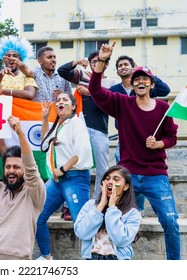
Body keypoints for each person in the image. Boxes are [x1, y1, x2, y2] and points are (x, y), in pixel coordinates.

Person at [88, 42, 180, 260]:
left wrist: (159, 144)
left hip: (155, 175)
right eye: (136, 79)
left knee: (170, 221)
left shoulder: (163, 108)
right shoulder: (123, 103)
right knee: (115, 219)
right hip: (127, 176)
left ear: (151, 84)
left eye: (144, 79)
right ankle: (120, 261)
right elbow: (95, 91)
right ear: (132, 84)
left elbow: (172, 137)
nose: (140, 82)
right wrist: (101, 61)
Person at [0, 115, 46, 260]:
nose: (11, 170)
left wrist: (20, 133)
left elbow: (31, 169)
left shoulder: (35, 195)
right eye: (7, 167)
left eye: (17, 167)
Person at [35, 93, 93, 260]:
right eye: (58, 100)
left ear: (73, 106)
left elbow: (81, 152)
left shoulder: (76, 123)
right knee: (37, 216)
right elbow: (45, 143)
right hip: (57, 180)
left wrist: (62, 168)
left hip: (74, 177)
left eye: (65, 100)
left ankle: (90, 260)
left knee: (82, 225)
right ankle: (46, 258)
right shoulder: (58, 124)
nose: (60, 102)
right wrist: (45, 118)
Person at [58, 51, 117, 200]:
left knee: (102, 169)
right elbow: (62, 71)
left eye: (100, 61)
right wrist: (77, 61)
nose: (96, 64)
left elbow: (110, 101)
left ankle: (99, 200)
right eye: (93, 61)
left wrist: (90, 92)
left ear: (106, 64)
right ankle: (69, 202)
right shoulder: (83, 75)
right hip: (79, 128)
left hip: (100, 130)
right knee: (73, 163)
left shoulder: (112, 83)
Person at [32, 46, 73, 220]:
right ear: (40, 60)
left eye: (55, 57)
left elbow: (71, 100)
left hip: (58, 125)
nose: (53, 60)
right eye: (49, 57)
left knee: (61, 160)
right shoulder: (33, 74)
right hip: (36, 124)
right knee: (38, 163)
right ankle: (36, 204)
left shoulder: (62, 77)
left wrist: (62, 94)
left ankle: (67, 207)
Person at [109, 55, 171, 164]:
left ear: (132, 68)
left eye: (126, 64)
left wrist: (146, 73)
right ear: (117, 72)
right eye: (120, 66)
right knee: (121, 161)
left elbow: (165, 90)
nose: (123, 67)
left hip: (145, 134)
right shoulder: (114, 90)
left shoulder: (145, 87)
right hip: (124, 136)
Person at [74, 165, 141, 260]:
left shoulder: (132, 213)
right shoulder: (90, 205)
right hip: (92, 258)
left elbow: (120, 240)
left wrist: (112, 208)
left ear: (125, 186)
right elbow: (81, 233)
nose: (110, 182)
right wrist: (100, 207)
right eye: (107, 179)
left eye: (116, 179)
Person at [0, 35, 38, 100]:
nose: (11, 58)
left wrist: (4, 91)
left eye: (15, 56)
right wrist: (0, 74)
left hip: (20, 110)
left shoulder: (26, 76)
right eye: (8, 56)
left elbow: (30, 95)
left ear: (20, 60)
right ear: (3, 59)